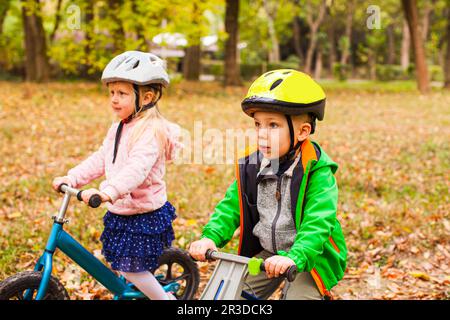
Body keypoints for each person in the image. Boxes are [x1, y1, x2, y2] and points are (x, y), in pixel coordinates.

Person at [189, 69, 347, 300]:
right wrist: (210, 237)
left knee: (298, 298)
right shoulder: (253, 165)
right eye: (258, 124)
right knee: (231, 296)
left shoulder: (317, 172)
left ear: (303, 131)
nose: (262, 134)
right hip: (268, 253)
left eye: (273, 125)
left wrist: (296, 256)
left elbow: (319, 221)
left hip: (310, 256)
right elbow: (231, 206)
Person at [52, 51, 181, 300]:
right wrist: (73, 178)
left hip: (142, 213)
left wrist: (108, 191)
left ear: (147, 97)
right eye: (111, 92)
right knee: (120, 262)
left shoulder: (150, 131)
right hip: (122, 209)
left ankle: (165, 300)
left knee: (129, 268)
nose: (113, 99)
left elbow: (137, 169)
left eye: (121, 93)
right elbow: (102, 158)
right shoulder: (119, 126)